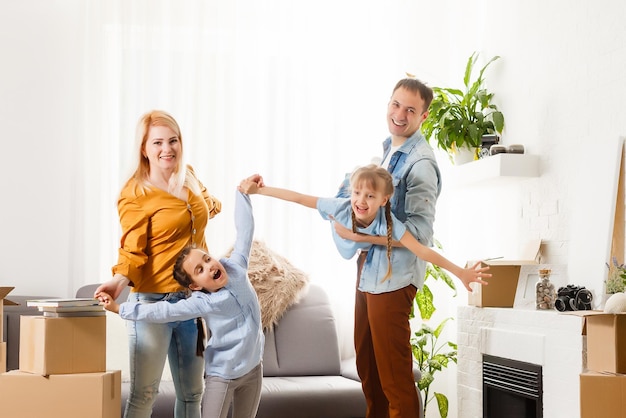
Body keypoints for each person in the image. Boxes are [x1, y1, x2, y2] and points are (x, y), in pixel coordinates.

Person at [94, 110, 222, 418]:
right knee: (144, 395)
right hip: (152, 304)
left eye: (173, 140)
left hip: (193, 302)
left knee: (193, 394)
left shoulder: (188, 174)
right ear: (144, 148)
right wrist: (118, 281)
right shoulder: (135, 193)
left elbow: (207, 207)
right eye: (158, 142)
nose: (168, 149)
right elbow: (132, 251)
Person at [97, 188, 263, 418]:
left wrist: (242, 193)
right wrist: (119, 308)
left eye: (207, 259)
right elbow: (162, 311)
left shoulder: (237, 267)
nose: (210, 266)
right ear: (194, 285)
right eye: (200, 269)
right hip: (223, 374)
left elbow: (245, 232)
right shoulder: (202, 303)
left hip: (254, 368)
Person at [336, 77, 444, 418]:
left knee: (395, 380)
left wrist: (363, 235)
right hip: (369, 271)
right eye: (395, 104)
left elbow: (419, 232)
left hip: (394, 278)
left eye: (410, 109)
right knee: (369, 371)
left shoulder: (421, 163)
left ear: (423, 117)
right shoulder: (388, 151)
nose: (400, 114)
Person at [238, 165, 489, 290]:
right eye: (358, 193)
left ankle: (369, 179)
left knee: (370, 198)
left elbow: (421, 250)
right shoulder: (343, 206)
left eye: (370, 196)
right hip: (341, 227)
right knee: (343, 196)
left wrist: (460, 272)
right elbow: (300, 198)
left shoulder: (388, 222)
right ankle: (353, 178)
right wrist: (260, 190)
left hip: (356, 238)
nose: (361, 200)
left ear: (383, 201)